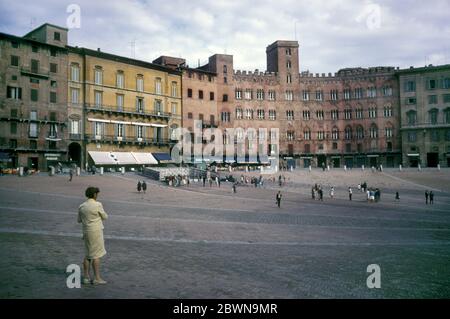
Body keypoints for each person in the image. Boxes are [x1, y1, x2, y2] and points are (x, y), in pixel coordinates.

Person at [78, 187, 108, 285]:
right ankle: (97, 278)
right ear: (95, 194)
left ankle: (86, 277)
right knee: (96, 255)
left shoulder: (81, 206)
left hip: (86, 231)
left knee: (88, 254)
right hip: (96, 232)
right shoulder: (98, 204)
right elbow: (105, 217)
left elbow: (79, 220)